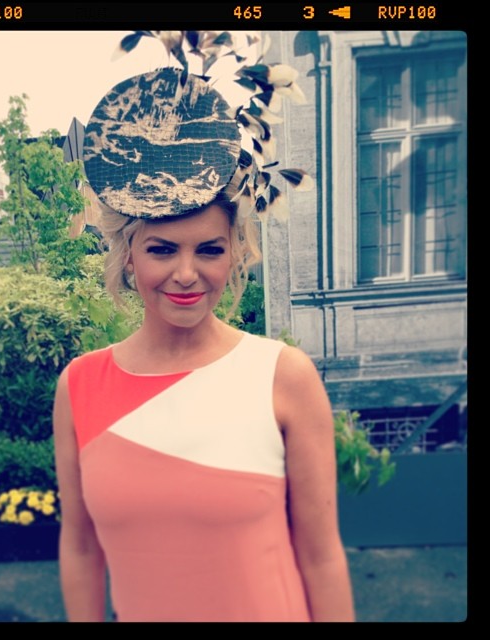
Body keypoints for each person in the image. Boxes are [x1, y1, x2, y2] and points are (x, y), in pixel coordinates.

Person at [53, 64, 355, 622]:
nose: (187, 274)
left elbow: (321, 557)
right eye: (163, 249)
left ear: (236, 252)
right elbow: (81, 549)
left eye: (210, 250)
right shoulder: (80, 386)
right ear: (129, 256)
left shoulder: (283, 375)